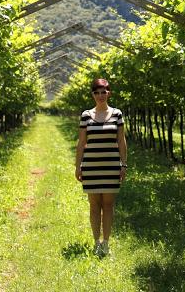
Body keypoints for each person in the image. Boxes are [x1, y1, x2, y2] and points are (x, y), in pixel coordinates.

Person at [75, 77, 127, 256]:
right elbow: (81, 143)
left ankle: (106, 242)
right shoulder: (86, 115)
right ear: (92, 95)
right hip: (91, 167)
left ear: (108, 93)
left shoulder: (117, 114)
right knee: (94, 205)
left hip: (111, 166)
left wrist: (123, 164)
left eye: (103, 91)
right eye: (96, 92)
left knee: (108, 205)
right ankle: (96, 242)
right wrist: (78, 166)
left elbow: (121, 140)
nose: (100, 95)